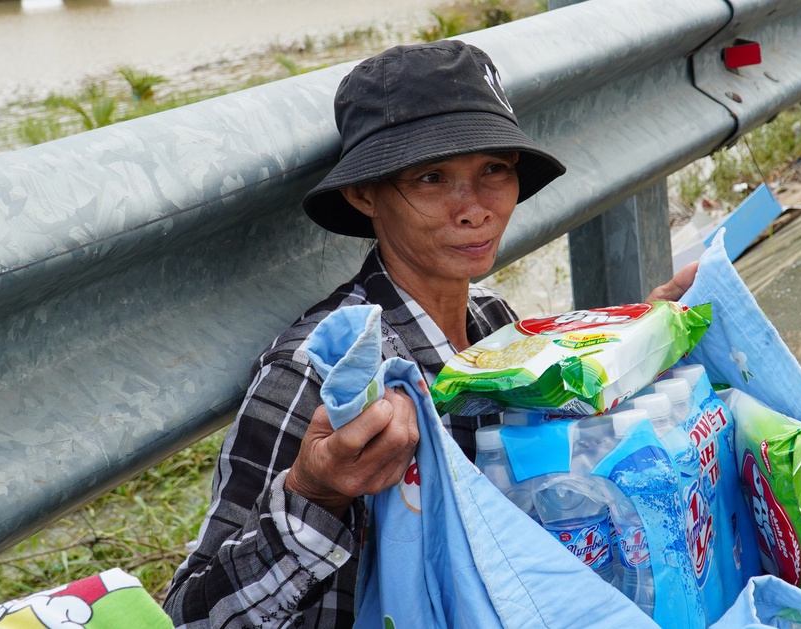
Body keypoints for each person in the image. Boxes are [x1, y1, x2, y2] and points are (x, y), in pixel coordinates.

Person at [163, 40, 698, 627]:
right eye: (432, 178)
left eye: (494, 170)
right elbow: (190, 616)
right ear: (364, 195)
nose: (474, 209)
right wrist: (315, 492)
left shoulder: (493, 321)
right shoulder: (320, 373)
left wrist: (641, 339)